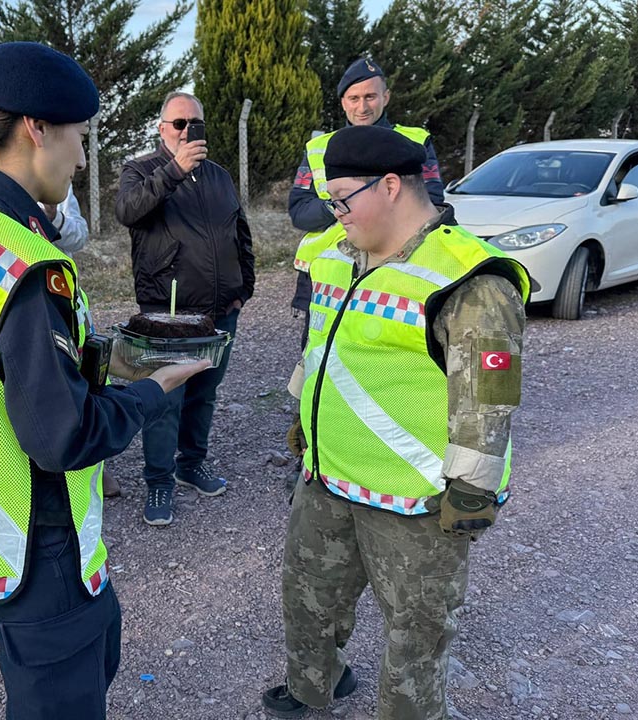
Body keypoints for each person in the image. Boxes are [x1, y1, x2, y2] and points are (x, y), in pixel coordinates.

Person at [0, 42, 210, 720]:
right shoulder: (24, 264)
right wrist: (156, 389)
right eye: (80, 138)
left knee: (80, 658)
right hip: (32, 529)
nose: (83, 158)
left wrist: (98, 357)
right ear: (37, 129)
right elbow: (63, 436)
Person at [263, 125, 530, 719]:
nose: (332, 214)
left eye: (342, 199)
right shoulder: (337, 256)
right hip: (330, 477)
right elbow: (322, 351)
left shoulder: (470, 279)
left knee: (416, 636)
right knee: (309, 599)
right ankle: (312, 688)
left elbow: (489, 398)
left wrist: (470, 492)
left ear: (390, 186)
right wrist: (304, 420)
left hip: (418, 503)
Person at [114, 91, 255, 526]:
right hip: (168, 313)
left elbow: (240, 231)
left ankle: (191, 462)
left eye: (195, 122)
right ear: (162, 129)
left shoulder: (219, 176)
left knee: (204, 393)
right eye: (178, 123)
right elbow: (128, 211)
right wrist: (174, 171)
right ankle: (159, 479)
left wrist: (244, 287)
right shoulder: (140, 170)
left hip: (219, 312)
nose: (187, 130)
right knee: (165, 397)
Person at [287, 57, 445, 349]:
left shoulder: (414, 141)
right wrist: (340, 206)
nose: (363, 107)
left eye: (370, 96)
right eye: (354, 98)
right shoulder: (317, 148)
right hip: (325, 272)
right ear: (343, 102)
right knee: (319, 356)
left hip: (394, 265)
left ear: (385, 97)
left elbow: (432, 202)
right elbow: (299, 212)